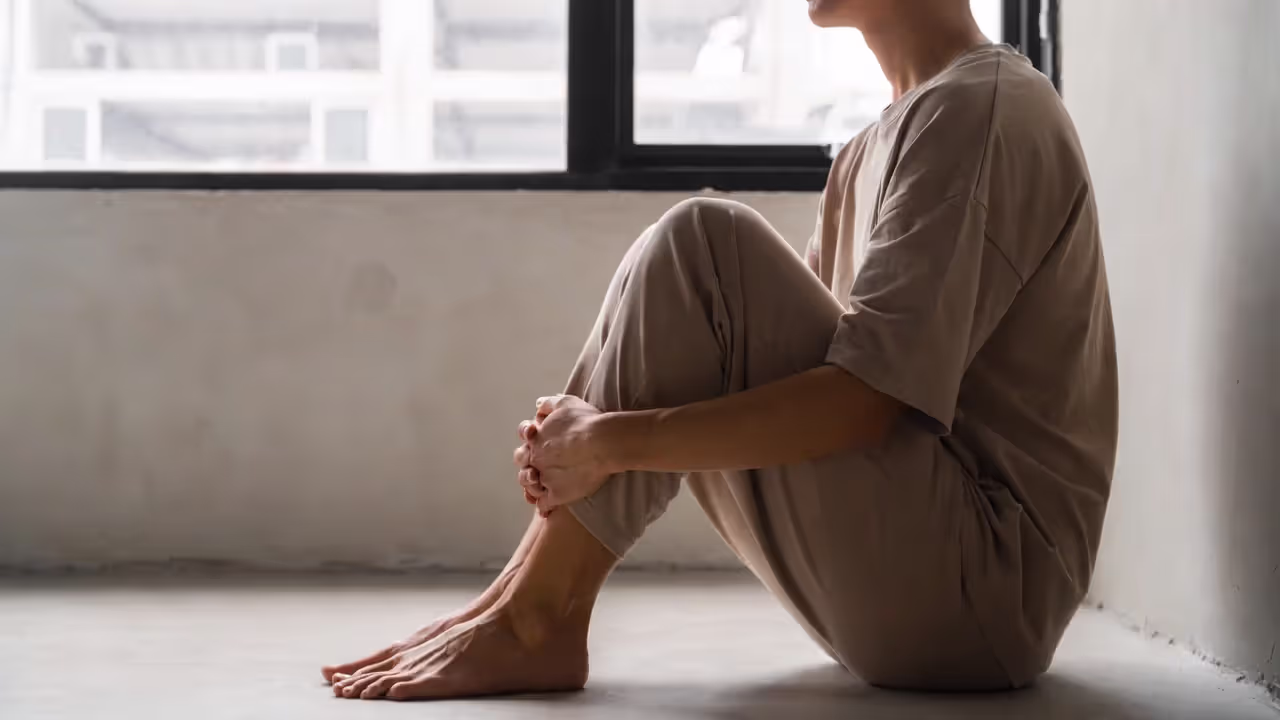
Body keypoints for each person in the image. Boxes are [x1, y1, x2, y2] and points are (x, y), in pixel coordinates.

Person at [321, 0, 1117, 701]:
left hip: (984, 599)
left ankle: (537, 616)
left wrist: (605, 443)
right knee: (688, 259)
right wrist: (588, 434)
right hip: (919, 586)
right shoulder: (872, 148)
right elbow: (753, 366)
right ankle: (521, 601)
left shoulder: (984, 108)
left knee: (704, 243)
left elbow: (863, 404)